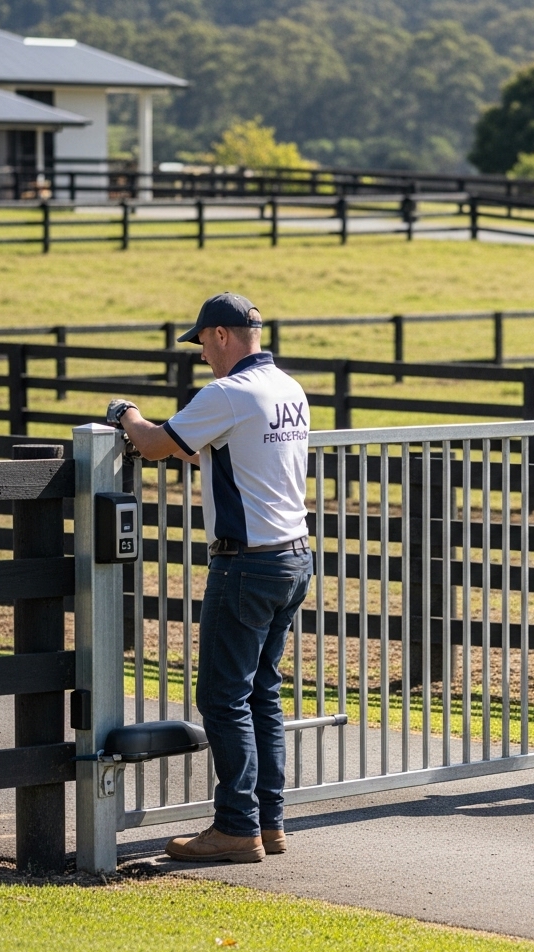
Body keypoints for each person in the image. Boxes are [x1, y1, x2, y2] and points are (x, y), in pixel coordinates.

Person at [107, 292, 312, 862]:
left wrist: (123, 414)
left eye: (201, 342)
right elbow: (228, 452)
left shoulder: (229, 393)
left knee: (222, 698)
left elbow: (149, 445)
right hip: (294, 556)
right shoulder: (287, 389)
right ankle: (268, 823)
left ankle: (235, 828)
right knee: (261, 694)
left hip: (246, 562)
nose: (201, 355)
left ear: (222, 334)